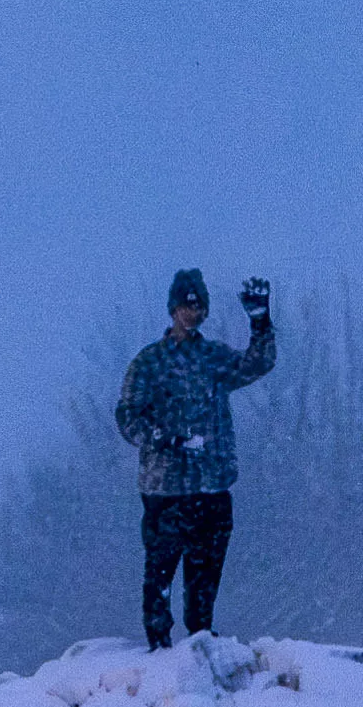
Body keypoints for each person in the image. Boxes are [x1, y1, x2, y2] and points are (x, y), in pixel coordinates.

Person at [112, 267, 275, 647]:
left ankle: (200, 640)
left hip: (212, 484)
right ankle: (158, 644)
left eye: (199, 305)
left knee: (205, 574)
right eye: (187, 305)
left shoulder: (212, 357)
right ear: (173, 310)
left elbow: (257, 364)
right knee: (160, 570)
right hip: (165, 488)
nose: (193, 313)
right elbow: (126, 415)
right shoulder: (149, 362)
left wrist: (260, 321)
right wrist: (160, 437)